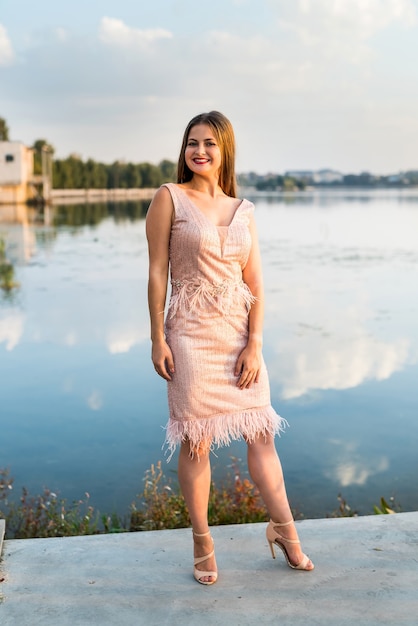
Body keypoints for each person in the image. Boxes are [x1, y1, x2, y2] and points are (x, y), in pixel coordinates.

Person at [146, 111, 314, 585]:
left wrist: (255, 344)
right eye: (191, 143)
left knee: (262, 435)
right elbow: (158, 272)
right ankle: (202, 540)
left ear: (225, 151)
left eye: (209, 144)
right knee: (196, 441)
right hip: (190, 335)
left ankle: (284, 531)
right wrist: (157, 337)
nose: (199, 151)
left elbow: (256, 281)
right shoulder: (169, 199)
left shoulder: (245, 210)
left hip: (238, 336)